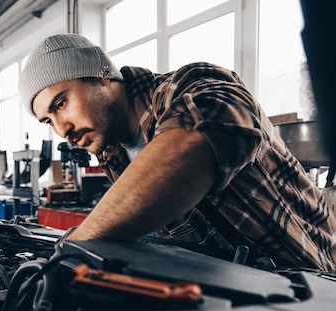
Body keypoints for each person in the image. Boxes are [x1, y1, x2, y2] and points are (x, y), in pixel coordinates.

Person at [18, 33, 336, 272]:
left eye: (61, 104)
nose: (61, 129)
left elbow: (197, 142)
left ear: (102, 75)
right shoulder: (113, 154)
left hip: (315, 283)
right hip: (248, 300)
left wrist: (73, 246)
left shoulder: (194, 84)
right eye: (48, 120)